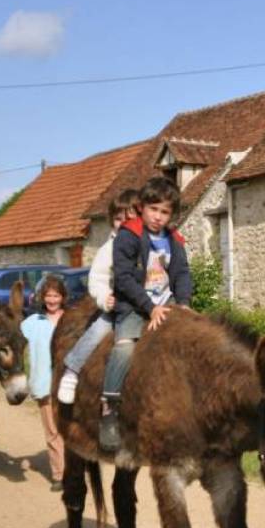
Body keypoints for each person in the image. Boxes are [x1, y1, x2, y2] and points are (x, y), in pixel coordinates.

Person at [99, 176, 192, 452]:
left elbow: (182, 273)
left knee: (194, 343)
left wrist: (183, 302)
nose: (158, 217)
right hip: (135, 306)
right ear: (142, 207)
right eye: (154, 209)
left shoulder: (173, 239)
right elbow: (125, 278)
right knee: (125, 348)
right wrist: (149, 308)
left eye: (165, 212)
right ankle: (110, 407)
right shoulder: (128, 236)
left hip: (168, 302)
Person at [55, 189, 139, 405]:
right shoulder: (108, 248)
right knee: (97, 331)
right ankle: (72, 371)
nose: (123, 223)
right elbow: (97, 278)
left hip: (147, 306)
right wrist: (105, 298)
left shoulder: (146, 244)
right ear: (112, 222)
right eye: (118, 219)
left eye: (130, 218)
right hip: (118, 307)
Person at [21, 274, 68, 489]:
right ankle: (59, 474)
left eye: (56, 296)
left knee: (71, 429)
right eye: (48, 296)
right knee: (52, 431)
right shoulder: (32, 323)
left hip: (69, 383)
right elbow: (14, 340)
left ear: (63, 297)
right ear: (42, 297)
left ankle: (74, 471)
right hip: (44, 384)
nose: (51, 300)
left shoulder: (70, 320)